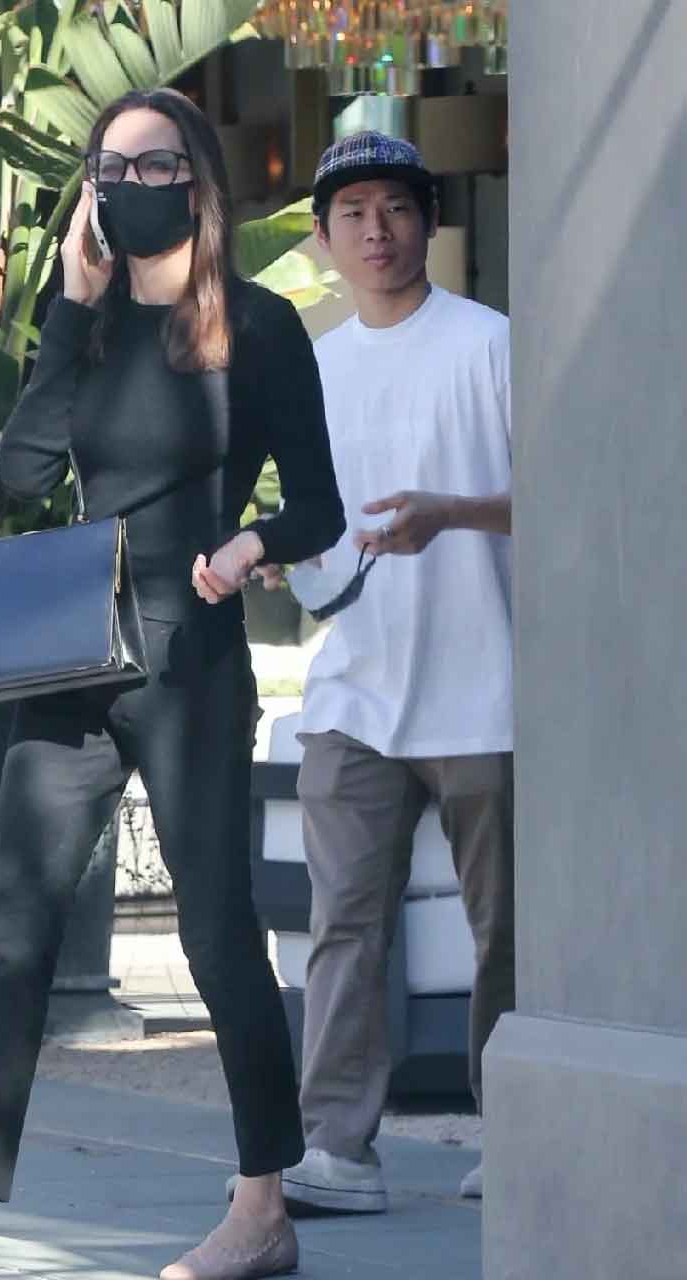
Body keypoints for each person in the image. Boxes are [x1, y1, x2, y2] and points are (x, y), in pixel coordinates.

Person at [0, 88, 344, 1280]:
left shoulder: (258, 327)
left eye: (151, 163)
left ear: (197, 180)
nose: (126, 183)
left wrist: (251, 545)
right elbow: (24, 476)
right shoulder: (87, 326)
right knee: (16, 927)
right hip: (76, 649)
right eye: (109, 166)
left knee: (215, 932)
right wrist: (68, 311)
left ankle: (263, 1202)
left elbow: (320, 503)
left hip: (191, 652)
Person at [246, 131, 513, 1212]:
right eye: (352, 213)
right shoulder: (313, 366)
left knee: (508, 931)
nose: (376, 230)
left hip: (490, 684)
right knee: (344, 923)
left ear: (429, 223)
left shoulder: (492, 344)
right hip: (354, 685)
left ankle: (521, 1138)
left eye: (396, 207)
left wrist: (452, 514)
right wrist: (271, 552)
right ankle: (338, 1150)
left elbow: (569, 493)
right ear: (322, 238)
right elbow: (313, 523)